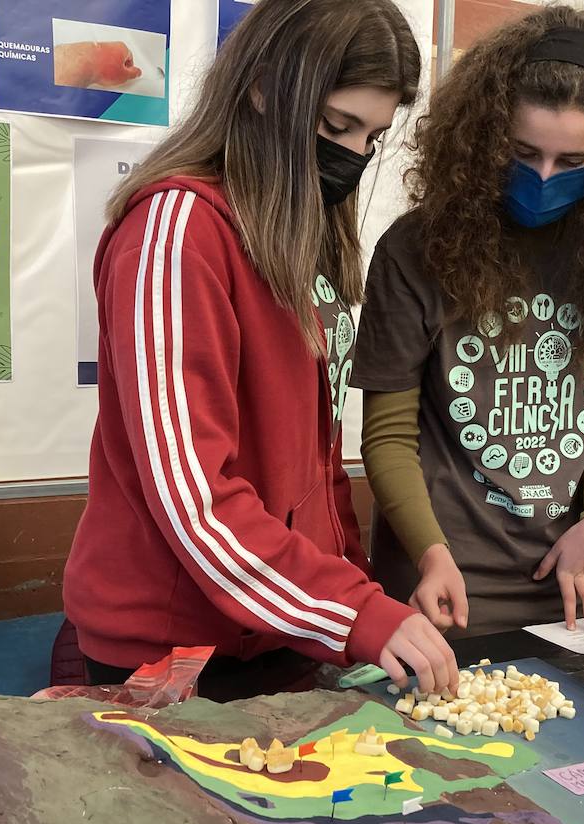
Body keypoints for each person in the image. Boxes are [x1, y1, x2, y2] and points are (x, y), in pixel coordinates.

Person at [63, 0, 456, 700]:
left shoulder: (293, 235)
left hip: (278, 628)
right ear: (263, 88)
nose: (354, 157)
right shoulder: (176, 232)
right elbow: (194, 499)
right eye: (337, 127)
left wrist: (356, 592)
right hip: (175, 648)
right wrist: (358, 614)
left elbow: (314, 461)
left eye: (371, 137)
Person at [353, 6, 584, 637]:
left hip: (558, 586)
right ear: (484, 137)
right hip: (440, 587)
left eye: (571, 163)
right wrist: (430, 554)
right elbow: (389, 435)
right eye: (522, 151)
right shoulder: (417, 249)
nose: (542, 178)